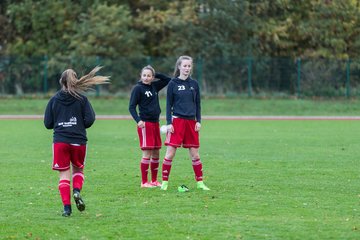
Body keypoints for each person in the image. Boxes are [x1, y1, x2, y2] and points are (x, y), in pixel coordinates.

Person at [44, 66, 110, 217]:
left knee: (63, 175)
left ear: (61, 81)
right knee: (78, 170)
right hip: (78, 141)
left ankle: (67, 209)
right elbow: (90, 119)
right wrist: (79, 125)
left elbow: (48, 124)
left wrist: (61, 123)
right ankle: (76, 191)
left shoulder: (54, 99)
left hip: (60, 141)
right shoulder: (82, 99)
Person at [161, 55, 210, 191]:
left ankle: (200, 183)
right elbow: (168, 105)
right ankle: (164, 183)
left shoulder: (194, 84)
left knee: (195, 154)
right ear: (179, 67)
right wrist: (169, 122)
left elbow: (198, 104)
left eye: (189, 66)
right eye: (184, 66)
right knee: (170, 153)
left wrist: (198, 121)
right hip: (177, 122)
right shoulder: (173, 84)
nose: (187, 68)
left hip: (191, 123)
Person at [129, 65, 171, 188]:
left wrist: (155, 73)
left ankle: (153, 180)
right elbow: (131, 107)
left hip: (155, 123)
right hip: (145, 124)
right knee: (147, 153)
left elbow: (167, 80)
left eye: (149, 76)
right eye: (144, 75)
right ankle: (144, 182)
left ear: (152, 77)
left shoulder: (154, 86)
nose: (146, 78)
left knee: (156, 153)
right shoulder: (138, 89)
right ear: (141, 76)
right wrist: (138, 120)